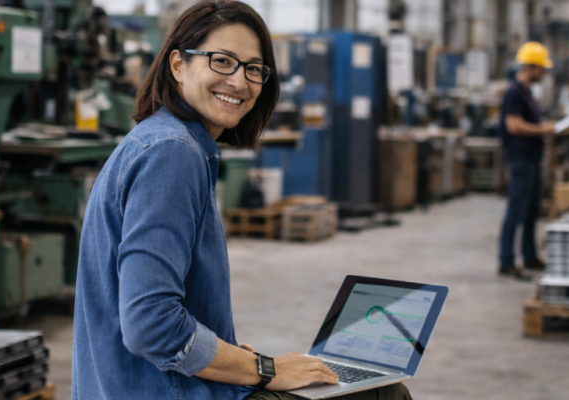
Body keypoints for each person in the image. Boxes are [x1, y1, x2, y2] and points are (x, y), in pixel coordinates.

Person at [71, 2, 412, 400]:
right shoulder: (172, 154)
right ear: (178, 64)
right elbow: (151, 325)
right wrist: (265, 370)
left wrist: (231, 358)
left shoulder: (159, 141)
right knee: (385, 394)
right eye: (222, 61)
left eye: (253, 69)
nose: (239, 81)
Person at [497, 42, 556, 280]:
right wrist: (543, 129)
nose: (543, 73)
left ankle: (530, 256)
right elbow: (513, 125)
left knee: (532, 209)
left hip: (531, 157)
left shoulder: (527, 93)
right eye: (541, 68)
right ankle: (506, 260)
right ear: (530, 67)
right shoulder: (514, 92)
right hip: (520, 158)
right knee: (516, 208)